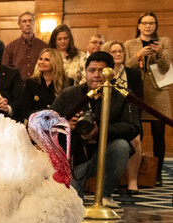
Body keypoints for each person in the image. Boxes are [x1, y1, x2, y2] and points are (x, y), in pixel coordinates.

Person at [51, 52, 140, 208]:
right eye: (92, 70)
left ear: (111, 73)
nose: (97, 75)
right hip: (75, 157)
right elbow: (47, 121)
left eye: (102, 71)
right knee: (71, 203)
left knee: (121, 146)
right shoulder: (70, 94)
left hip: (106, 153)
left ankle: (105, 194)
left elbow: (133, 127)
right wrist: (66, 126)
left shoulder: (122, 95)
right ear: (85, 73)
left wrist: (102, 130)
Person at [124, 11, 171, 186]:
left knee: (159, 134)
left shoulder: (164, 42)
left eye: (151, 23)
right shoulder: (130, 44)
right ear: (139, 26)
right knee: (137, 134)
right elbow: (126, 67)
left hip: (158, 92)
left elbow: (166, 67)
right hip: (137, 92)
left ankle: (157, 175)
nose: (148, 26)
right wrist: (139, 55)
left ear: (156, 26)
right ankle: (135, 174)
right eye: (144, 23)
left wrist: (158, 54)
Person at [104, 40, 144, 194]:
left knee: (135, 139)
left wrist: (133, 122)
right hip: (108, 118)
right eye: (114, 52)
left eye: (120, 51)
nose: (118, 54)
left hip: (129, 118)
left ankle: (132, 181)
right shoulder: (102, 73)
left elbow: (140, 100)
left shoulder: (133, 74)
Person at [18, 48, 68, 123]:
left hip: (58, 126)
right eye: (40, 59)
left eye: (47, 60)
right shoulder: (31, 83)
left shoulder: (67, 83)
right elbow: (25, 111)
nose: (41, 62)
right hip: (37, 125)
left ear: (56, 62)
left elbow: (67, 110)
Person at [2, 12, 48, 80]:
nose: (28, 24)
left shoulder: (44, 46)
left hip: (39, 85)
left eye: (30, 21)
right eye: (24, 21)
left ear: (34, 23)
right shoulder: (11, 47)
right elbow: (5, 70)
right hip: (18, 87)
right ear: (19, 25)